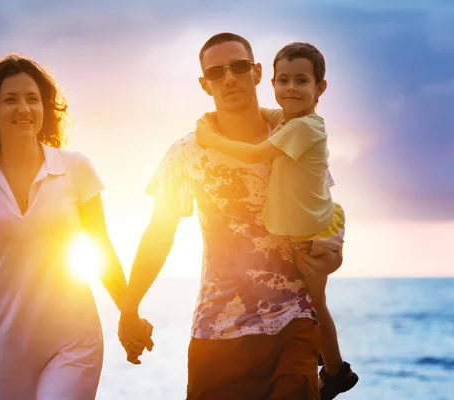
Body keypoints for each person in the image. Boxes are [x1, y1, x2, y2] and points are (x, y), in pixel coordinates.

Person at [118, 33, 344, 400]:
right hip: (216, 328)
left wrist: (334, 254)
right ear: (204, 84)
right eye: (216, 72)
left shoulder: (292, 134)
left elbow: (323, 208)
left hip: (293, 321)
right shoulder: (186, 153)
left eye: (239, 67)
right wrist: (130, 308)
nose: (229, 78)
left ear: (256, 73)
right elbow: (159, 233)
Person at [0, 54, 152, 400]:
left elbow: (101, 247)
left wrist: (127, 313)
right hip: (3, 342)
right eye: (11, 99)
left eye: (32, 98)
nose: (24, 107)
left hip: (73, 338)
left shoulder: (75, 168)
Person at [194, 41, 358, 399]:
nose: (291, 89)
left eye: (301, 81)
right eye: (283, 81)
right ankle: (334, 370)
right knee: (316, 301)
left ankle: (335, 370)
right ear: (270, 83)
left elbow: (255, 153)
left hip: (317, 227)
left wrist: (210, 137)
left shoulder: (303, 128)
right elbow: (266, 115)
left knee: (314, 301)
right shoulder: (287, 120)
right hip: (310, 221)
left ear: (320, 88)